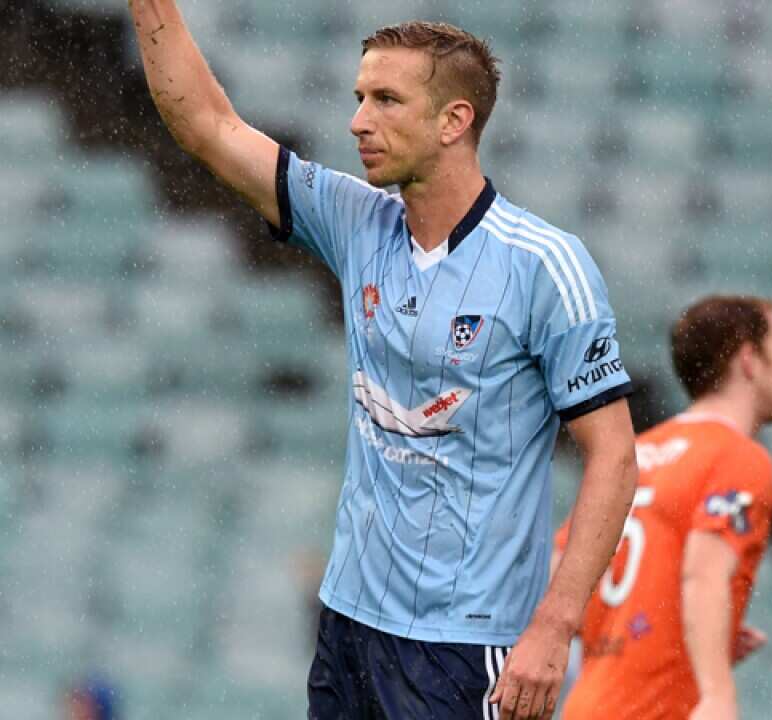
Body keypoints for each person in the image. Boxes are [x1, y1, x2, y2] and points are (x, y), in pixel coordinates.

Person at [126, 5, 639, 719]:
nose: (358, 121)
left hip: (465, 647)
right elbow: (208, 128)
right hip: (348, 625)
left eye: (386, 100)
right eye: (359, 98)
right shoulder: (356, 221)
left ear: (453, 121)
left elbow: (614, 456)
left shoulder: (546, 266)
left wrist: (554, 628)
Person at [556, 295, 772, 720]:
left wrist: (677, 634)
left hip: (589, 705)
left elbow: (563, 574)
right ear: (748, 360)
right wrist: (718, 695)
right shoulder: (738, 457)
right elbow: (704, 575)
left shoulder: (634, 456)